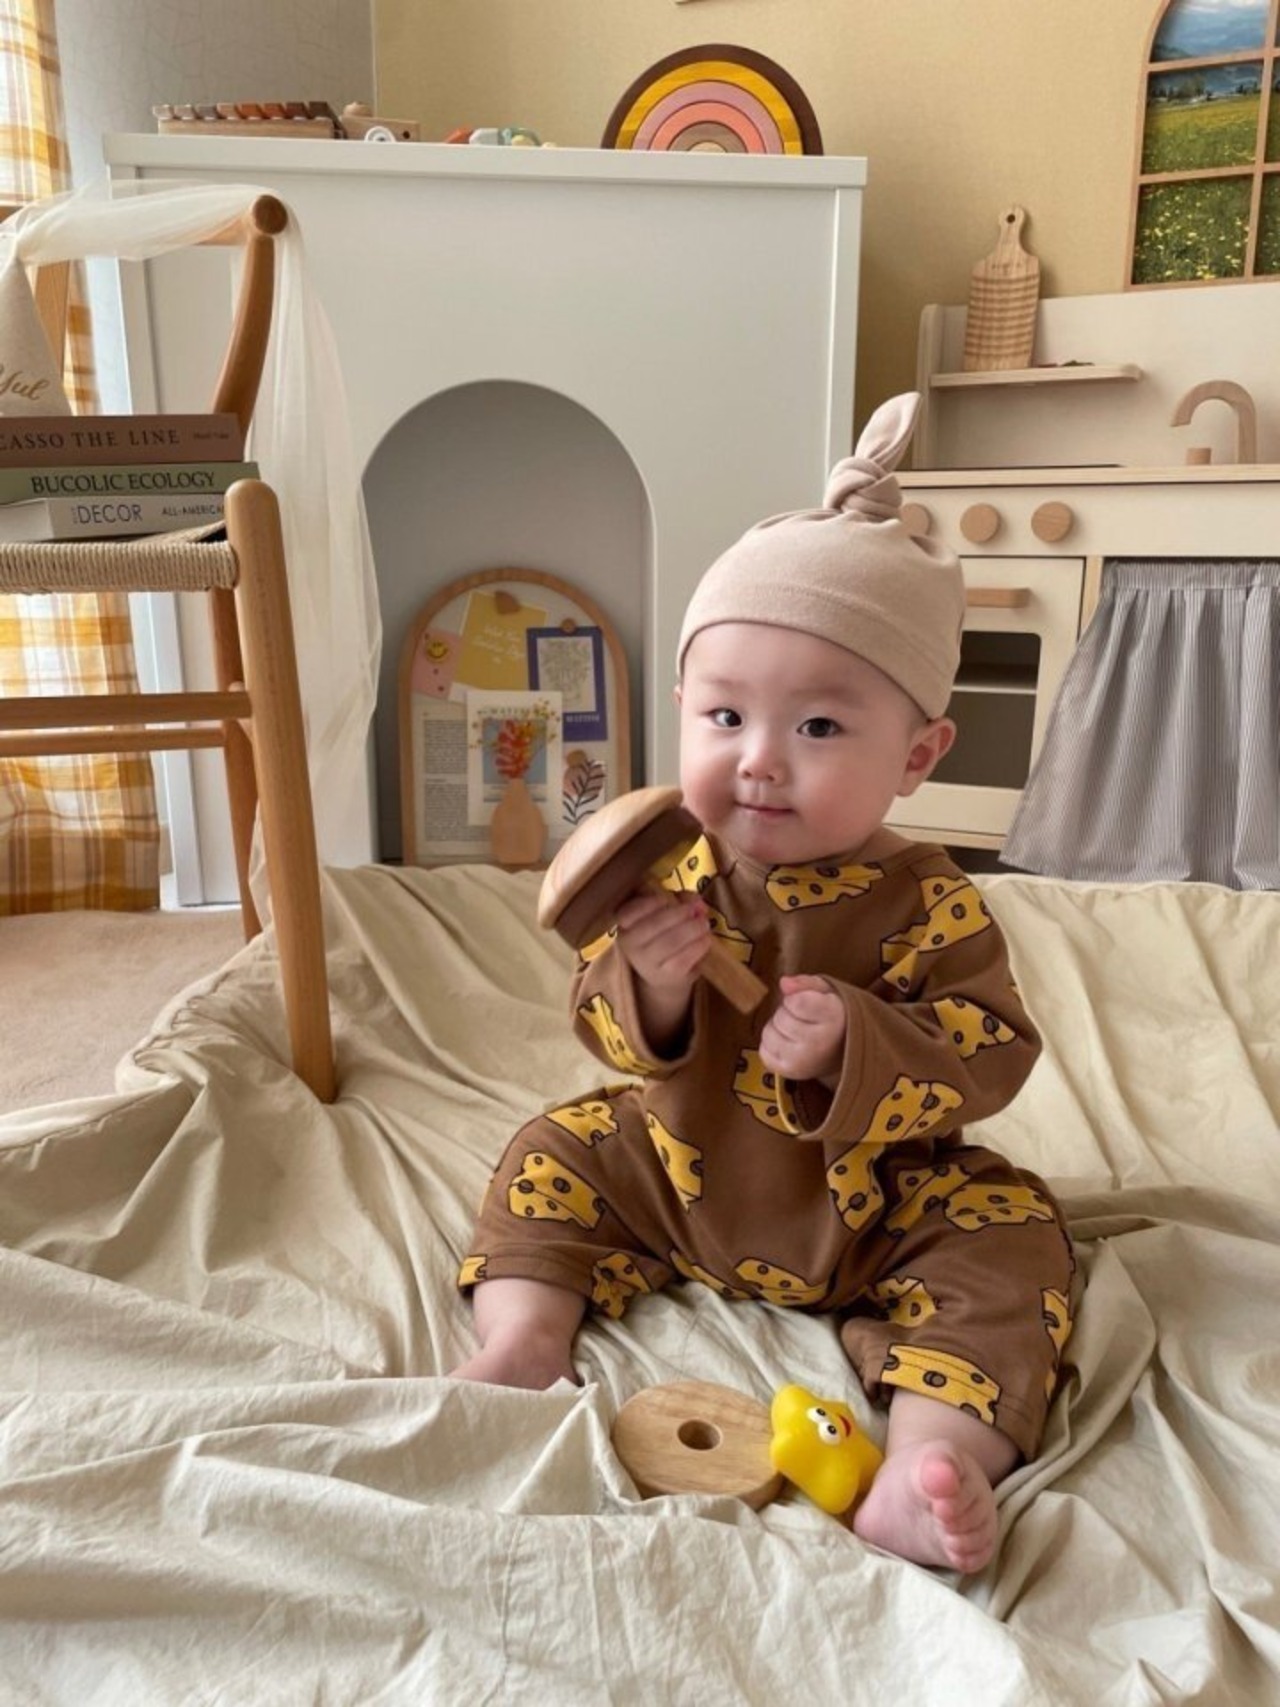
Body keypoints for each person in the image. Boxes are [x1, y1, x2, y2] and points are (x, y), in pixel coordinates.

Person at [453, 393, 1075, 1573]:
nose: (758, 761)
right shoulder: (668, 866)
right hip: (675, 1175)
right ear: (682, 713)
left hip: (872, 1207)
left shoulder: (927, 900)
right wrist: (652, 988)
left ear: (916, 755)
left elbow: (993, 1049)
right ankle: (522, 1343)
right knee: (552, 1149)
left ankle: (929, 1461)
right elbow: (600, 1025)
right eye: (725, 715)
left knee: (1012, 1240)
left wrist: (857, 1040)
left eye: (820, 728)